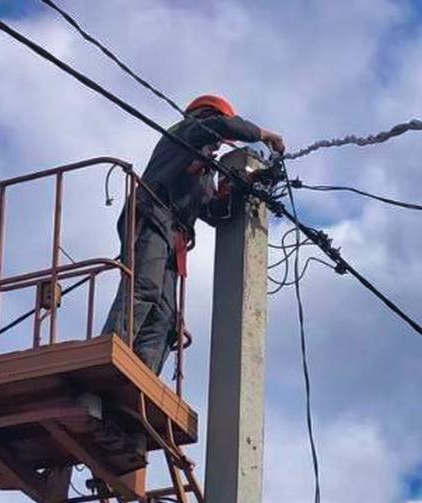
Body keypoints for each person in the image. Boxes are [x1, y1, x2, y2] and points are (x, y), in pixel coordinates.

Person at [102, 94, 285, 374]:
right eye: (218, 140)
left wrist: (245, 183)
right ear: (205, 116)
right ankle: (109, 356)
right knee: (145, 288)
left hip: (173, 233)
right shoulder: (183, 132)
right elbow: (224, 126)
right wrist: (265, 135)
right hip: (151, 214)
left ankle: (139, 375)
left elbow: (212, 211)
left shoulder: (202, 170)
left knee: (166, 317)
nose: (218, 146)